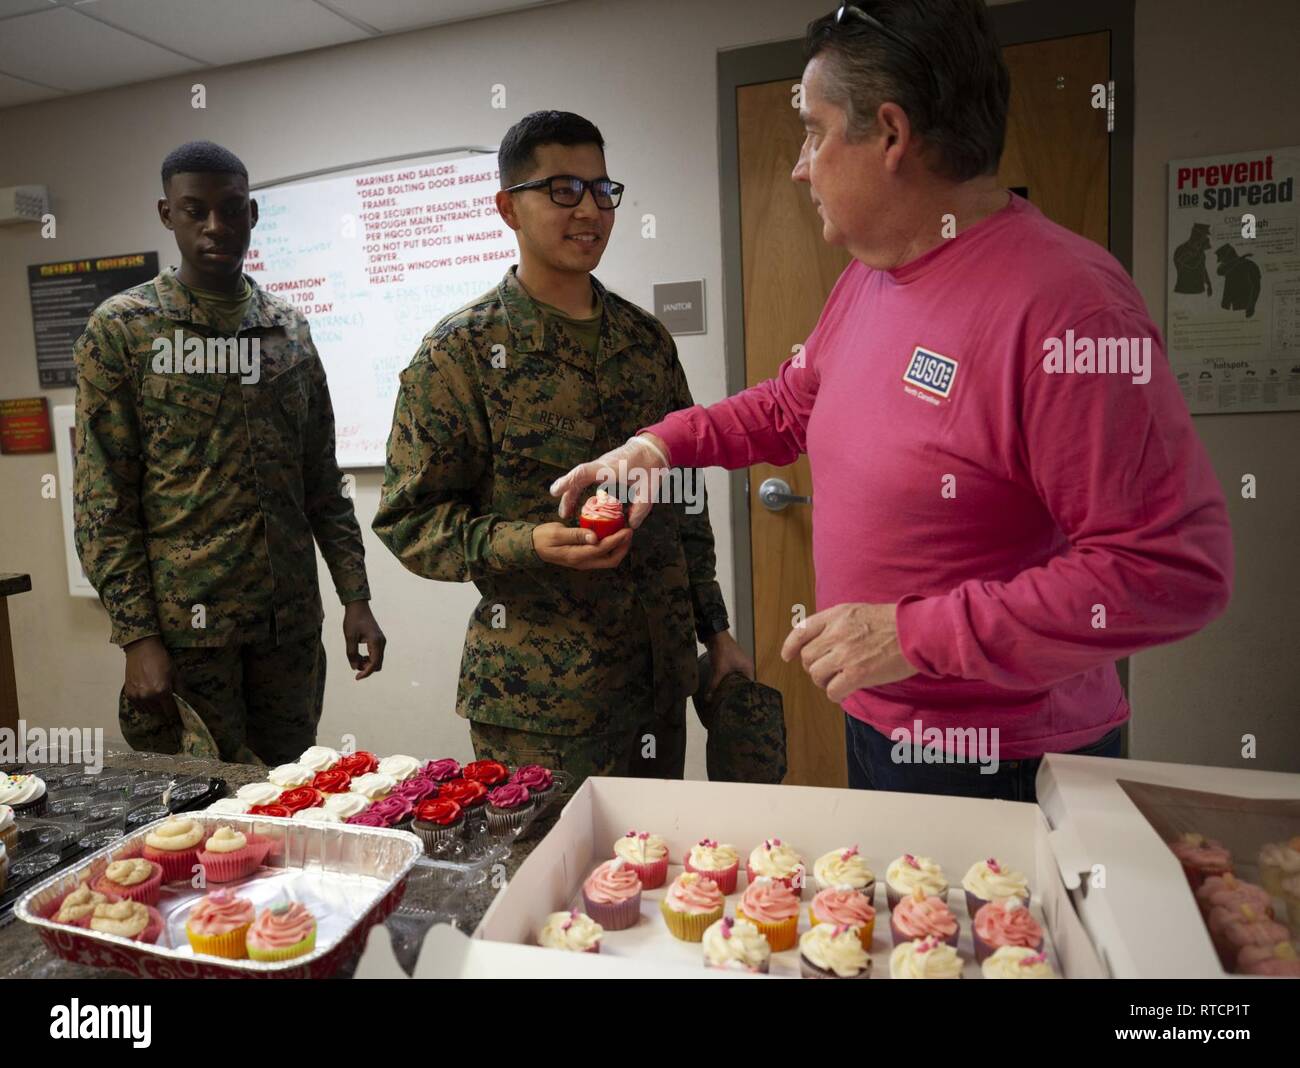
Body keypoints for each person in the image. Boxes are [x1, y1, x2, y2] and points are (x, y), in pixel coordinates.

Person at [550, 2, 1234, 803]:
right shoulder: (871, 275)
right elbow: (789, 405)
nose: (801, 165)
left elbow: (1172, 569)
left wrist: (914, 634)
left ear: (889, 134)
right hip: (881, 720)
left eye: (813, 130)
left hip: (1008, 757)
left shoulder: (1068, 307)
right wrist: (659, 445)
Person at [373, 111, 751, 791]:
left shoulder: (645, 342)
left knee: (645, 877)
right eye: (564, 190)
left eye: (604, 190)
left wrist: (714, 630)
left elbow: (683, 497)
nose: (591, 211)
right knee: (548, 885)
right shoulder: (459, 354)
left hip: (660, 681)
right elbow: (408, 521)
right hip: (542, 704)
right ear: (507, 208)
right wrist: (530, 542)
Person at [74, 140, 385, 765]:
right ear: (167, 215)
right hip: (190, 635)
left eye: (231, 209)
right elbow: (101, 502)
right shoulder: (124, 330)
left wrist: (357, 598)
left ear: (253, 214)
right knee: (199, 807)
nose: (216, 226)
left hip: (287, 628)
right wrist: (136, 637)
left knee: (289, 794)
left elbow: (322, 482)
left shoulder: (289, 329)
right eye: (196, 210)